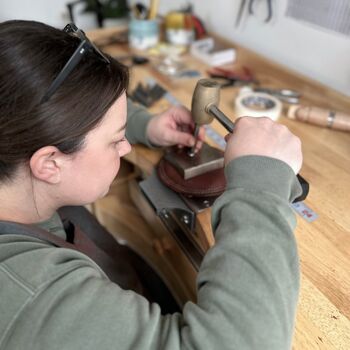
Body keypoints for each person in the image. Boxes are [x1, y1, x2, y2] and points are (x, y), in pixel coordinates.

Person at [0, 20, 303, 350]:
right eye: (116, 140)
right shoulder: (30, 292)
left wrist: (144, 123)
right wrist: (262, 181)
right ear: (49, 164)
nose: (127, 146)